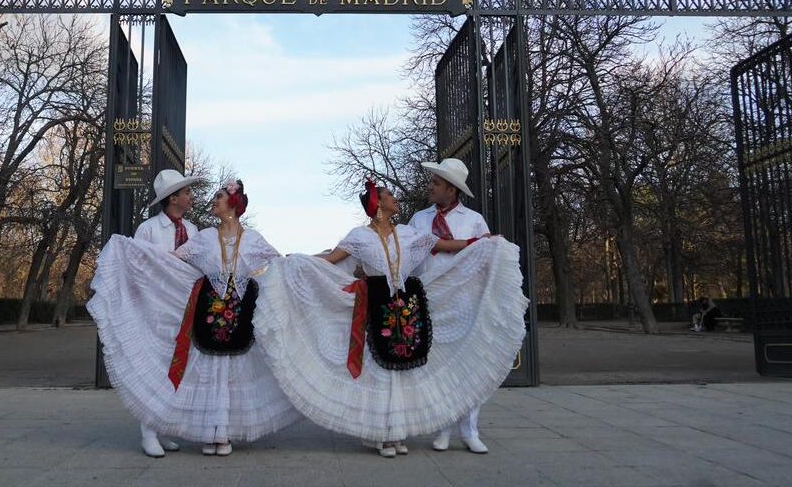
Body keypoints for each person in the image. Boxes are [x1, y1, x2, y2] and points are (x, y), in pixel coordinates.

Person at [254, 178, 528, 458]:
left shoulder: (408, 234)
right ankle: (382, 434)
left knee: (401, 367)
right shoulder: (359, 236)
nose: (395, 198)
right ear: (377, 204)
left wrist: (481, 242)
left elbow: (445, 246)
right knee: (378, 368)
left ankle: (397, 431)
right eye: (389, 195)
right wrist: (296, 260)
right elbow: (332, 258)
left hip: (406, 302)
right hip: (375, 303)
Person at [87, 178, 300, 458]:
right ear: (172, 198)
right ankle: (156, 431)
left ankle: (214, 431)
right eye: (188, 193)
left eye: (219, 196)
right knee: (183, 365)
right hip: (182, 307)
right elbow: (170, 261)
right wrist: (127, 252)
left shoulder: (200, 230)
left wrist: (300, 264)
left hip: (226, 311)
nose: (205, 199)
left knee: (224, 371)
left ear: (233, 204)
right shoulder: (179, 233)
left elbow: (275, 261)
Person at [104, 168, 203, 458]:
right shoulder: (148, 229)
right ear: (173, 198)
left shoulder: (193, 230)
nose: (190, 197)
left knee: (177, 365)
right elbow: (139, 266)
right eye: (186, 193)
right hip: (156, 307)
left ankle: (165, 426)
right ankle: (148, 430)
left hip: (184, 306)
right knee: (154, 364)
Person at [409, 158, 492, 454]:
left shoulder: (473, 220)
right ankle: (443, 426)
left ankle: (469, 429)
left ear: (452, 189)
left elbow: (485, 259)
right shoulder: (419, 219)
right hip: (429, 298)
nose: (430, 187)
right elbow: (409, 254)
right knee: (438, 364)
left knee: (468, 363)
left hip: (464, 299)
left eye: (436, 183)